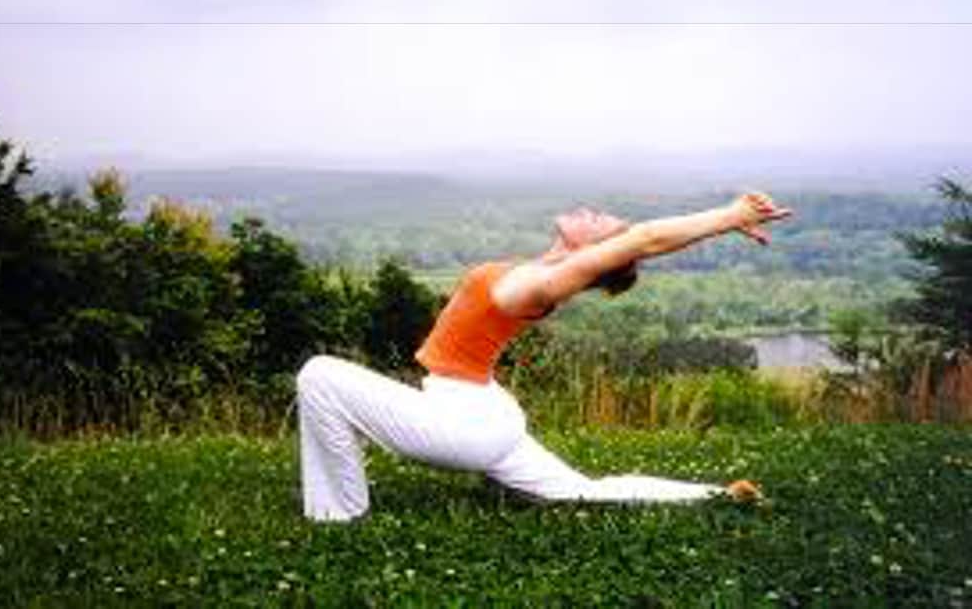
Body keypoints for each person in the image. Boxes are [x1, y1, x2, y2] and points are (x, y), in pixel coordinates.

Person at [296, 192, 793, 521]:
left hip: (466, 427)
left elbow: (644, 239)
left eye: (601, 221)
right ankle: (721, 494)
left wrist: (730, 216)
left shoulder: (541, 285)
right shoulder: (537, 269)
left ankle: (338, 517)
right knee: (581, 492)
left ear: (600, 251)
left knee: (319, 375)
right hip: (484, 412)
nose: (590, 211)